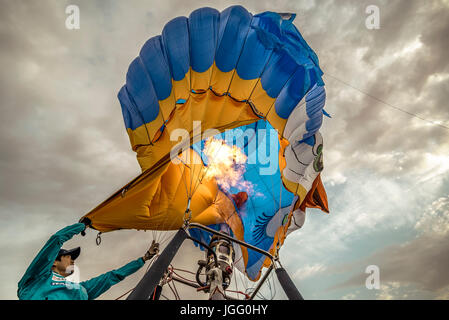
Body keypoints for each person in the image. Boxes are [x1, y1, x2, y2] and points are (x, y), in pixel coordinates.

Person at [17, 222, 159, 300]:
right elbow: (56, 239)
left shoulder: (81, 288)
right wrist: (83, 226)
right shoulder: (37, 277)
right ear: (54, 262)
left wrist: (143, 258)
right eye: (69, 257)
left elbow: (113, 276)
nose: (72, 261)